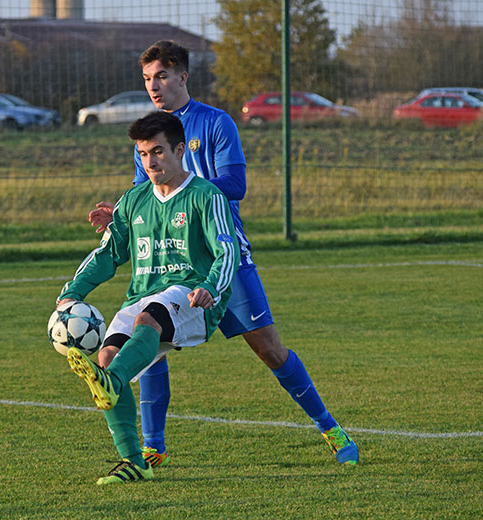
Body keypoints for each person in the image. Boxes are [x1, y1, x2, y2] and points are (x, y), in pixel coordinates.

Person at [89, 40, 358, 467]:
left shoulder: (215, 123)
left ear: (182, 76)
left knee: (269, 349)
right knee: (149, 339)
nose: (153, 86)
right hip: (168, 259)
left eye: (161, 76)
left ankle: (330, 428)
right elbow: (147, 193)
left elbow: (236, 185)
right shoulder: (146, 133)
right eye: (146, 79)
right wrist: (118, 211)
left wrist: (188, 186)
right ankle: (152, 448)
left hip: (222, 256)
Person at [58, 111, 240, 485]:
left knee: (148, 321)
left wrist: (212, 287)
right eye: (143, 154)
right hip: (143, 294)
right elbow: (108, 254)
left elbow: (228, 249)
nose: (150, 161)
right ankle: (133, 461)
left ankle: (111, 384)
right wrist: (72, 292)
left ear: (178, 150)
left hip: (193, 296)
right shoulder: (133, 201)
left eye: (157, 152)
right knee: (108, 357)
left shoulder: (206, 196)